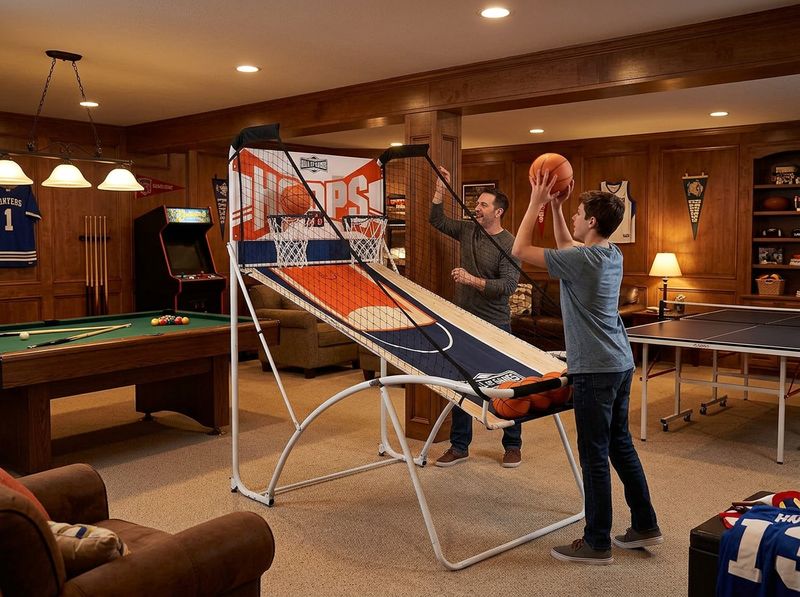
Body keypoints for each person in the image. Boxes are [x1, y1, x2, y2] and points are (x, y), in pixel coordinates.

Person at [511, 169, 661, 565]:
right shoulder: (609, 254)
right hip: (620, 363)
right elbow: (568, 244)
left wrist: (537, 201)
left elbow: (520, 248)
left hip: (594, 369)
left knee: (594, 455)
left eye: (578, 213)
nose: (574, 220)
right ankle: (645, 524)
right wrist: (558, 209)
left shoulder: (582, 260)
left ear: (592, 221)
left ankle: (597, 542)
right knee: (620, 445)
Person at [429, 167, 523, 468]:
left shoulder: (510, 244)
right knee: (461, 385)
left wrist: (471, 280)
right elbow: (437, 220)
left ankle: (512, 445)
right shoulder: (468, 229)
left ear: (498, 212)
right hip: (463, 322)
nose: (477, 208)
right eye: (477, 203)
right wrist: (440, 189)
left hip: (496, 325)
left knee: (506, 387)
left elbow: (508, 287)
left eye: (483, 204)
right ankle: (459, 446)